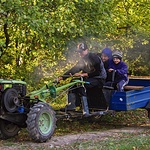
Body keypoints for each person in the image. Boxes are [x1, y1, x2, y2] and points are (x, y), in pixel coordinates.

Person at [58, 42, 107, 117]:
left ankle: (85, 110)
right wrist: (62, 77)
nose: (80, 54)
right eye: (79, 52)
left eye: (82, 52)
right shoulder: (82, 60)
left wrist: (83, 74)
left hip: (99, 79)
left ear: (87, 50)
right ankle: (71, 106)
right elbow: (74, 69)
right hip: (90, 78)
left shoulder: (94, 57)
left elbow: (98, 72)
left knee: (81, 85)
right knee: (73, 83)